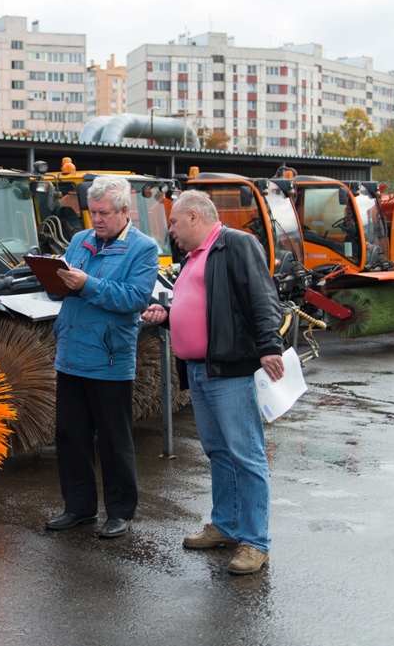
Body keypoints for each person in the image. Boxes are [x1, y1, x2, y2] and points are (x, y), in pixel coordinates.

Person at [141, 190, 284, 575]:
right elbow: (204, 310)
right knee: (219, 452)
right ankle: (226, 525)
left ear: (193, 217)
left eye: (173, 221)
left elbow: (262, 296)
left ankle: (255, 542)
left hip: (229, 369)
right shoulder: (194, 258)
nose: (170, 230)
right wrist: (169, 315)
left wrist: (270, 346)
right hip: (201, 370)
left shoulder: (236, 244)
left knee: (246, 455)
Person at [45, 175, 159, 539]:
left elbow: (135, 299)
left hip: (109, 358)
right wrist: (52, 279)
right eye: (92, 212)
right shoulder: (79, 240)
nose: (96, 219)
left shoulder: (143, 249)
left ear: (125, 211)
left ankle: (120, 511)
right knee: (70, 435)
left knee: (113, 439)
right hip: (71, 353)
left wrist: (86, 285)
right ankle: (78, 508)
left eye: (104, 213)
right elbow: (65, 289)